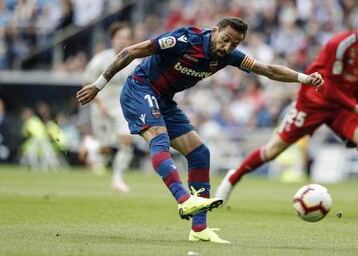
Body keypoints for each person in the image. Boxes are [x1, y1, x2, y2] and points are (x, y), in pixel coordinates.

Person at [76, 17, 323, 243]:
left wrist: (304, 78)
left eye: (234, 44)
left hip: (164, 99)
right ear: (214, 31)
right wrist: (98, 85)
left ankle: (199, 229)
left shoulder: (229, 56)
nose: (228, 47)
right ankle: (184, 200)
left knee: (199, 153)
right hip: (139, 89)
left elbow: (268, 70)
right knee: (159, 138)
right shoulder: (185, 39)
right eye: (225, 39)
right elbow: (130, 51)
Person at [215, 2, 358, 221]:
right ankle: (231, 179)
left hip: (340, 109)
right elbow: (329, 87)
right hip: (312, 102)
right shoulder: (340, 44)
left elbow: (357, 90)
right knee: (273, 150)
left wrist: (354, 123)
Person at [84, 22, 139, 192]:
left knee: (127, 142)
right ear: (112, 39)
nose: (124, 41)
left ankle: (117, 179)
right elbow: (87, 82)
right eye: (121, 37)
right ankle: (90, 146)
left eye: (127, 38)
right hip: (101, 107)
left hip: (122, 109)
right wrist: (99, 104)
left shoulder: (135, 61)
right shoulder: (100, 60)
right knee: (105, 149)